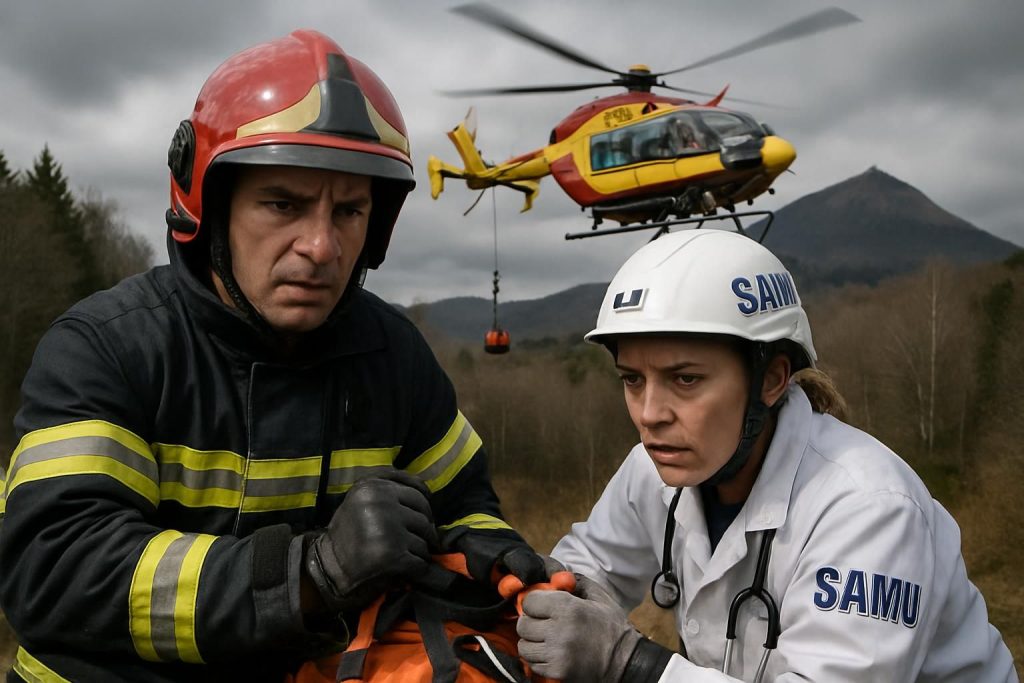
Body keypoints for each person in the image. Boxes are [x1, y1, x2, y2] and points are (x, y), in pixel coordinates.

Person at [0, 30, 545, 682]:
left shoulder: (393, 353)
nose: (320, 245)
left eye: (349, 211)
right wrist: (310, 572)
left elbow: (470, 509)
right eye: (282, 204)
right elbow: (54, 571)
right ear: (212, 207)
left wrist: (504, 566)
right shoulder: (106, 348)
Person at [515, 229, 1017, 682]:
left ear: (772, 379)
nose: (650, 414)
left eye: (685, 379)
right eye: (632, 380)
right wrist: (501, 575)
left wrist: (629, 661)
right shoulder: (653, 468)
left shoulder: (870, 507)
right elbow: (584, 572)